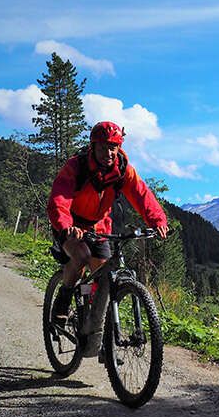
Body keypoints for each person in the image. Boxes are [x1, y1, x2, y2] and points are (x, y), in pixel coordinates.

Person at [47, 121, 169, 336]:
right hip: (71, 224)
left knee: (104, 278)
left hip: (99, 226)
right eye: (103, 147)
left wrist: (157, 221)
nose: (109, 152)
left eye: (113, 147)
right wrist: (66, 226)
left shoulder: (122, 169)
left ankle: (100, 334)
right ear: (93, 146)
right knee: (81, 255)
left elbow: (142, 196)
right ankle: (63, 300)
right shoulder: (76, 166)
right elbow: (59, 198)